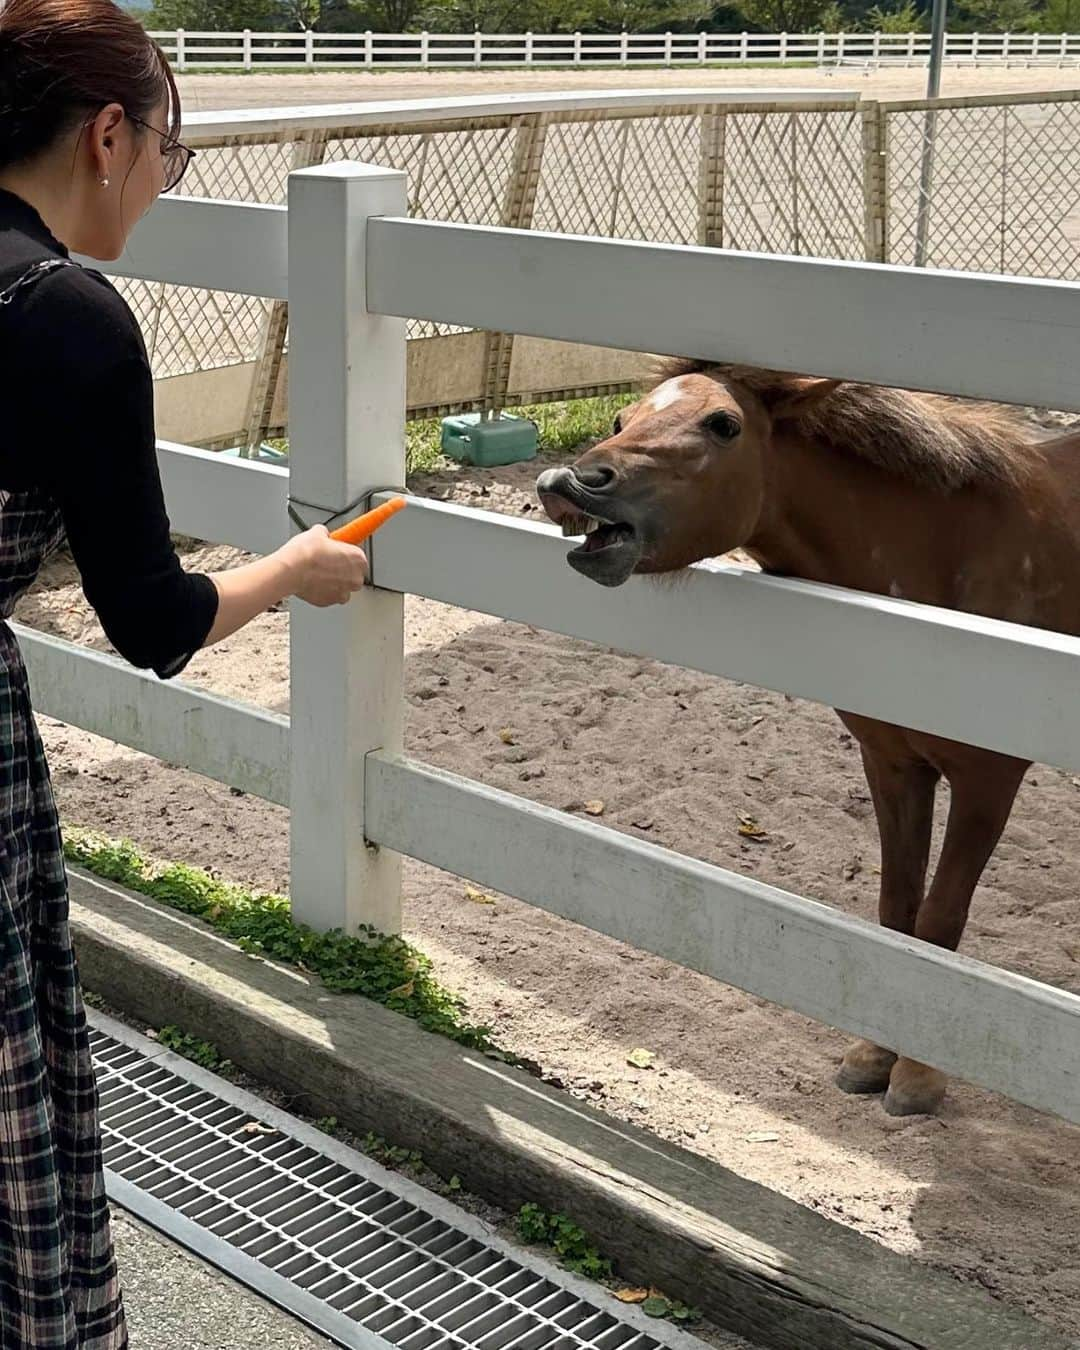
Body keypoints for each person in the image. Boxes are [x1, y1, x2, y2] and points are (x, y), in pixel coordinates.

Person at [0, 2, 369, 1344]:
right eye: (168, 148)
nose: (163, 183)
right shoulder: (63, 317)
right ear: (106, 136)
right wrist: (297, 568)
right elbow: (151, 615)